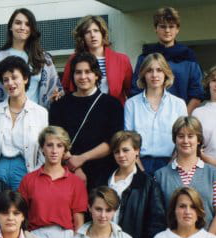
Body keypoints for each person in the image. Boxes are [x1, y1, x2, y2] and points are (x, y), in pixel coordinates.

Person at [49, 52, 124, 188]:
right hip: (67, 171)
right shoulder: (59, 105)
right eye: (78, 72)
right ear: (72, 75)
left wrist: (81, 159)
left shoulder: (112, 104)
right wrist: (75, 168)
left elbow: (113, 141)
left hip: (103, 172)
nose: (83, 77)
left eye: (88, 72)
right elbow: (56, 139)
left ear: (96, 75)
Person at [155, 116, 216, 236]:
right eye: (181, 136)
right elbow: (157, 216)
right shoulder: (160, 176)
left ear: (198, 140)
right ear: (175, 139)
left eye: (190, 136)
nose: (185, 141)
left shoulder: (214, 174)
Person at [0, 8, 62, 109]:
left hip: (35, 116)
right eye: (18, 23)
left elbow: (55, 90)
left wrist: (56, 97)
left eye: (27, 24)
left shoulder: (44, 59)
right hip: (3, 116)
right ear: (11, 27)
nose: (22, 27)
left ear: (32, 29)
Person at [0, 56, 48, 190]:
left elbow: (44, 149)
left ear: (25, 79)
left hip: (26, 169)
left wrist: (36, 176)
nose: (10, 83)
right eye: (6, 80)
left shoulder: (40, 113)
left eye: (14, 77)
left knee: (22, 203)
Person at [130, 7, 204, 113]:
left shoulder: (188, 57)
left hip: (181, 116)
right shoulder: (145, 57)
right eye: (163, 26)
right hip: (149, 114)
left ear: (177, 29)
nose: (167, 30)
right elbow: (136, 90)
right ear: (155, 28)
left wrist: (183, 118)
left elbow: (197, 93)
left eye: (171, 26)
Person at [107, 130, 166, 238]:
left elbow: (156, 224)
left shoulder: (148, 185)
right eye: (117, 151)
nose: (121, 155)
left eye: (125, 150)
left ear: (137, 151)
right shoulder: (104, 180)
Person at [124, 53, 187, 175]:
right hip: (138, 164)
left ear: (165, 73)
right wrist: (141, 171)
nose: (154, 75)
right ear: (143, 74)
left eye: (159, 70)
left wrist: (169, 169)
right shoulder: (131, 104)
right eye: (149, 70)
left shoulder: (178, 104)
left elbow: (183, 139)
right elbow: (128, 141)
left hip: (171, 163)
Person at [61, 15, 133, 104]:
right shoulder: (74, 59)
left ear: (103, 33)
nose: (92, 35)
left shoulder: (121, 60)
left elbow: (131, 92)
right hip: (81, 108)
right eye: (88, 32)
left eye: (96, 31)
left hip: (113, 109)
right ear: (82, 36)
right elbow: (65, 88)